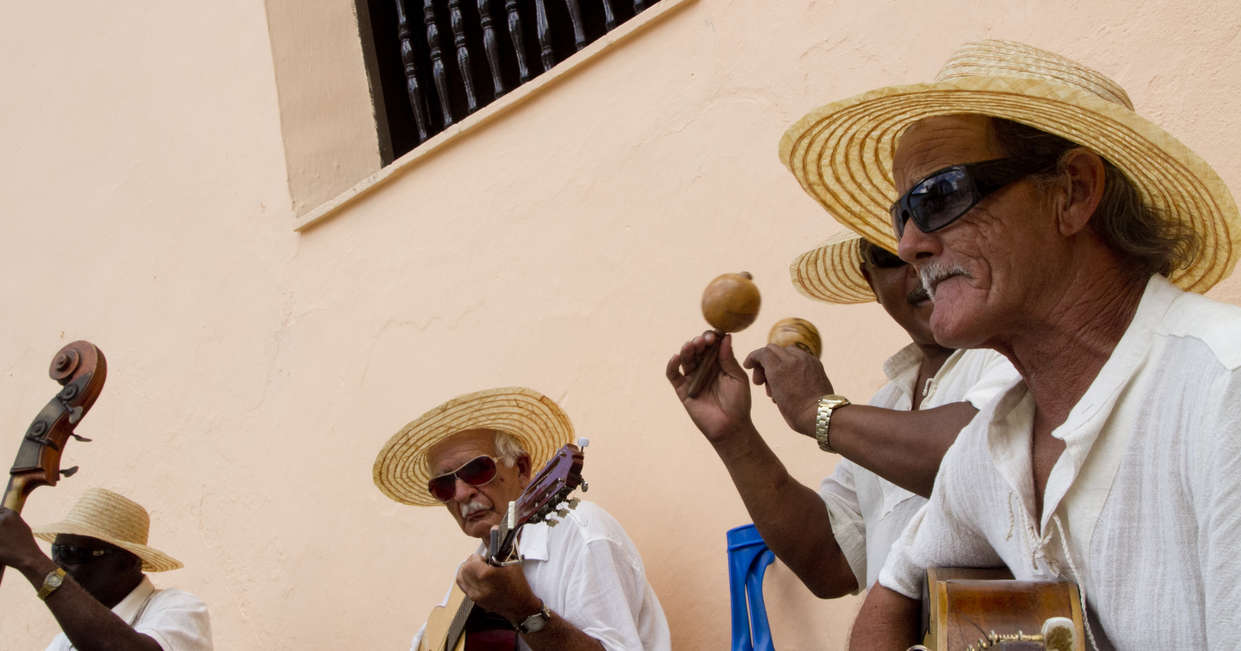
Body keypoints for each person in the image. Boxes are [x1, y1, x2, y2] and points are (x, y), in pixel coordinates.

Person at [779, 39, 1241, 648]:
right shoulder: (995, 442)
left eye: (939, 197)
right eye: (901, 217)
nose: (911, 244)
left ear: (1072, 191)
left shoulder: (1221, 391)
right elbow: (893, 586)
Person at [666, 230, 1016, 598]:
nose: (916, 264)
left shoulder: (1013, 353)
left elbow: (980, 458)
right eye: (888, 253)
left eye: (933, 236)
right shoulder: (885, 405)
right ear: (871, 281)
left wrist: (819, 412)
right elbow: (829, 563)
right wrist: (734, 435)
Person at [373, 386, 670, 651]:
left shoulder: (582, 535)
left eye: (477, 470)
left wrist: (523, 610)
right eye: (444, 485)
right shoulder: (477, 567)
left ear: (523, 469)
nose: (461, 493)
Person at [0, 487, 213, 650]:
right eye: (58, 550)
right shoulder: (64, 642)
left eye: (74, 552)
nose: (59, 565)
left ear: (128, 561)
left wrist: (33, 561)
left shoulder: (179, 610)